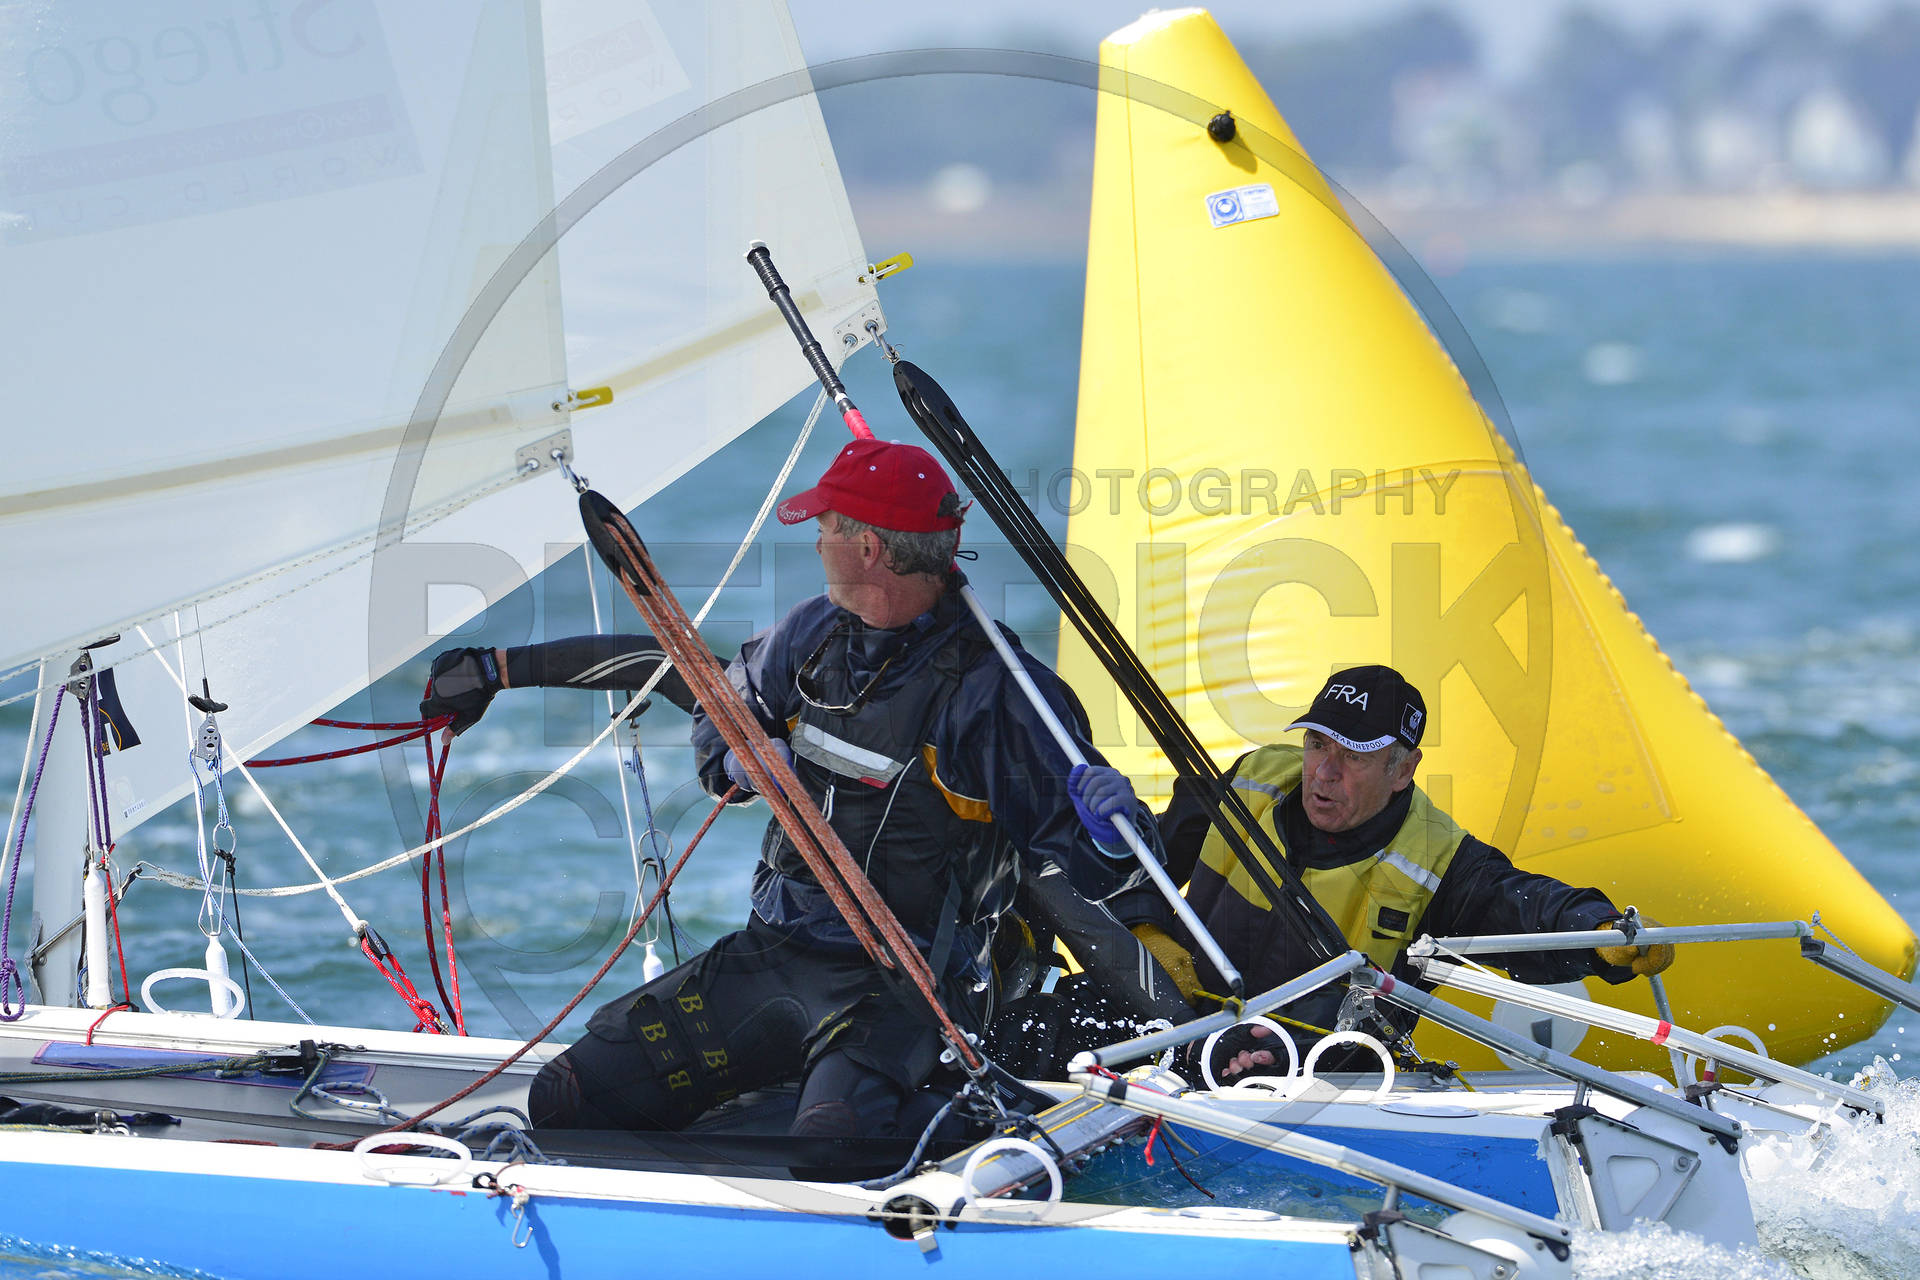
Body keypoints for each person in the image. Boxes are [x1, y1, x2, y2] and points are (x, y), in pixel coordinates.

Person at [472, 438, 1162, 1139]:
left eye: (826, 528)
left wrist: (1114, 835)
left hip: (906, 991)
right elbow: (722, 710)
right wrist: (736, 761)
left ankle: (990, 1114)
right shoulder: (812, 635)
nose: (816, 543)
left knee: (833, 1140)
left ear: (867, 548)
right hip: (775, 954)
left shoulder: (1002, 695)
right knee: (564, 1097)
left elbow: (1103, 873)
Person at [1076, 665, 1674, 1077]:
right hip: (1175, 1033)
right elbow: (1141, 864)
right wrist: (1137, 904)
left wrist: (1601, 935)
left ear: (1402, 769)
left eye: (1354, 755)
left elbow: (1525, 906)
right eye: (1317, 743)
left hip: (1319, 1082)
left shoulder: (1441, 860)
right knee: (1047, 1023)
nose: (1324, 772)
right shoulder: (1251, 779)